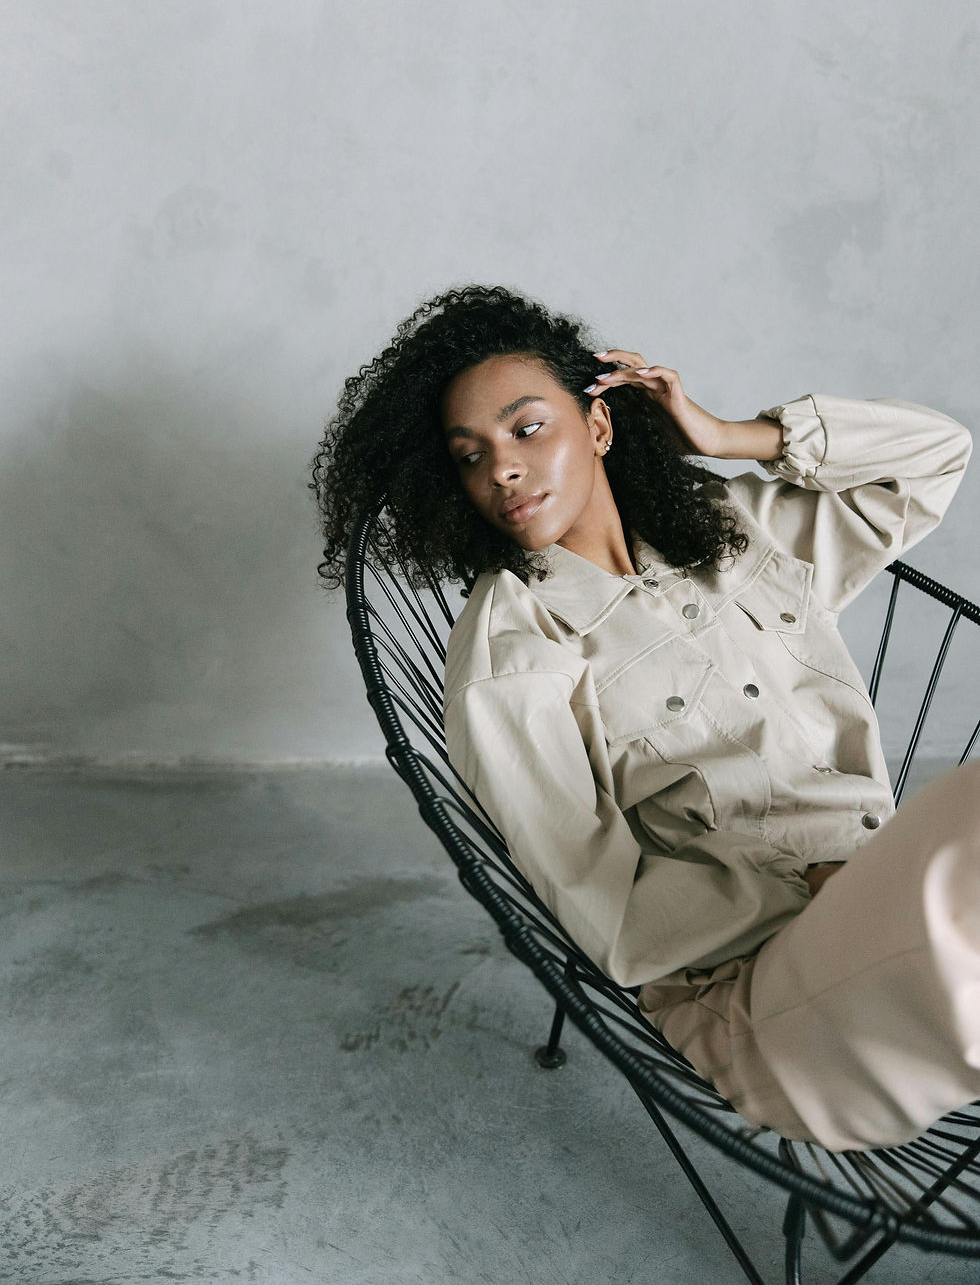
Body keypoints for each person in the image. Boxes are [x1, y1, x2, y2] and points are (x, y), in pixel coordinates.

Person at [313, 284, 979, 1153]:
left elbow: (936, 456)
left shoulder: (733, 531)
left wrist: (726, 436)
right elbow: (610, 915)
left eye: (526, 429)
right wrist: (807, 884)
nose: (501, 470)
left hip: (900, 920)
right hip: (770, 1003)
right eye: (470, 455)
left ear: (598, 426)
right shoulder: (515, 647)